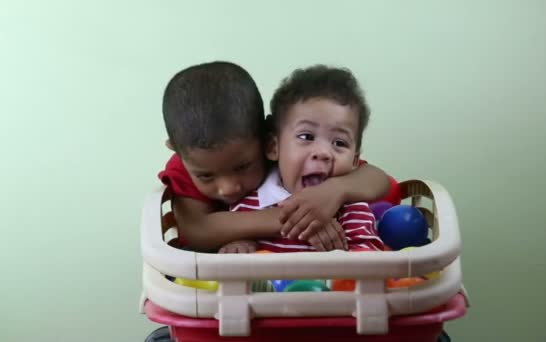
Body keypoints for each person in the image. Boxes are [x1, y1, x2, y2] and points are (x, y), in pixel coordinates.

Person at [157, 61, 395, 252]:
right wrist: (298, 219)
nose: (228, 188)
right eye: (206, 176)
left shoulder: (291, 153)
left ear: (267, 140)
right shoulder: (188, 161)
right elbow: (198, 231)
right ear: (177, 151)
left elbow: (377, 180)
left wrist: (333, 191)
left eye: (242, 166)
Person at [220, 65, 385, 253]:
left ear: (355, 161)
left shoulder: (352, 211)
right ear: (274, 147)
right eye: (306, 137)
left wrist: (338, 258)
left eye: (339, 143)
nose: (323, 152)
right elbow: (228, 249)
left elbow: (370, 260)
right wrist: (240, 247)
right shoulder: (248, 206)